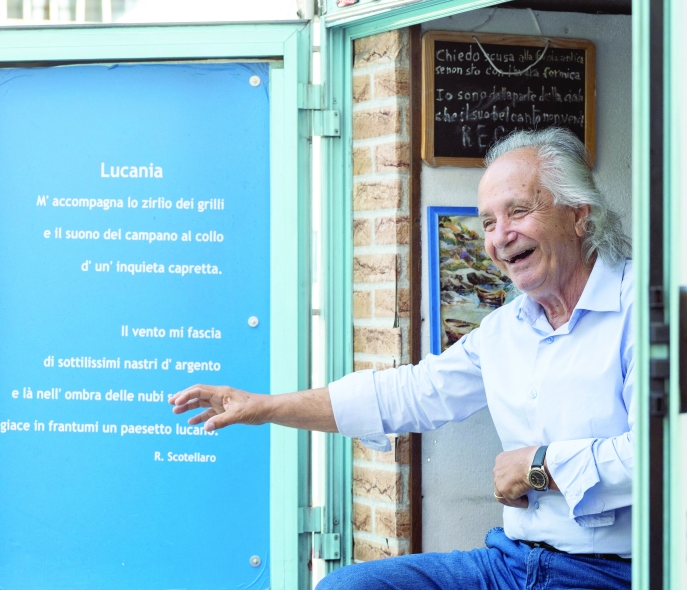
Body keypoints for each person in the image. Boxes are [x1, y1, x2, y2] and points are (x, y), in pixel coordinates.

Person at [169, 127, 635, 590]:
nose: (500, 237)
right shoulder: (504, 330)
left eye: (518, 211)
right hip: (510, 565)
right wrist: (264, 407)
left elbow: (660, 455)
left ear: (579, 215)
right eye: (488, 222)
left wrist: (541, 465)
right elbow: (409, 393)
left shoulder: (643, 306)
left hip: (614, 571)